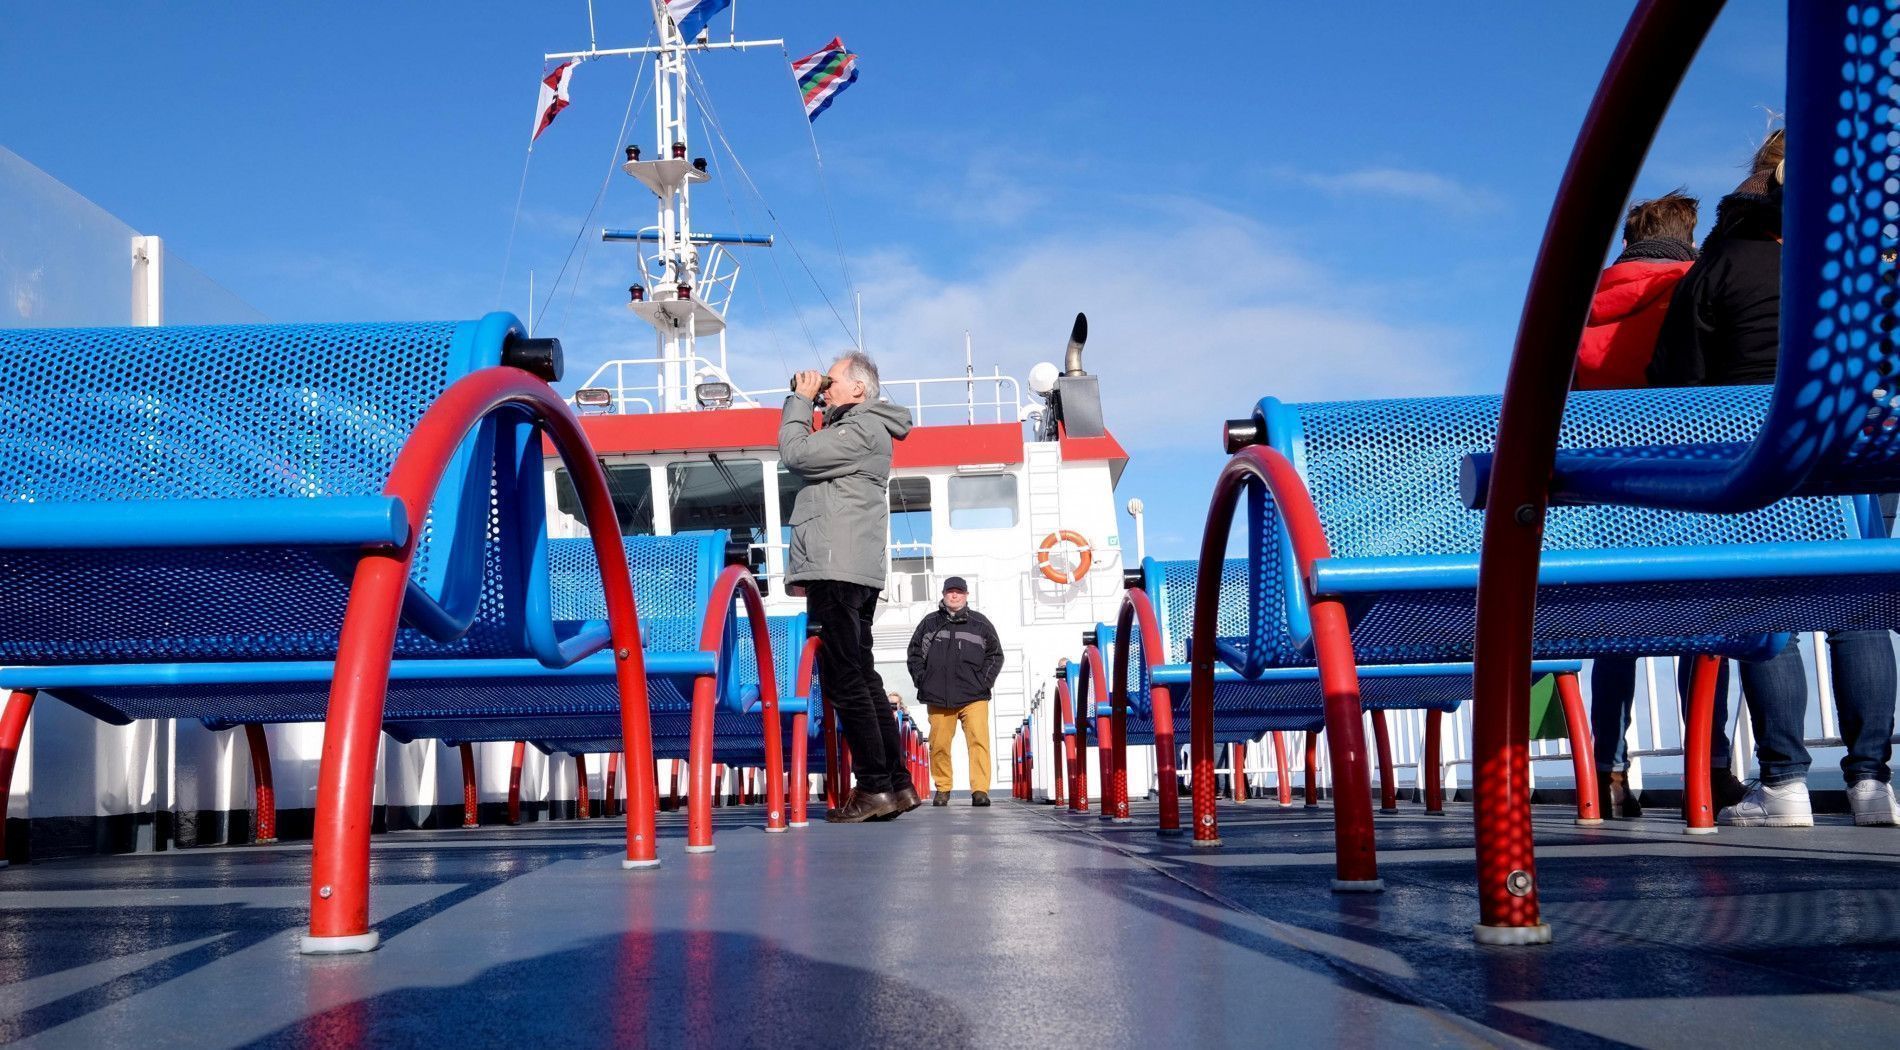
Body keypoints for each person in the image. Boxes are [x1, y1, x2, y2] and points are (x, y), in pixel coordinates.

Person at [1650, 129, 1900, 827]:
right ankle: (1872, 782)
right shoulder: (1863, 267)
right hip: (1859, 444)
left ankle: (1786, 783)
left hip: (1761, 451)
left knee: (1772, 609)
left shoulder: (1722, 263)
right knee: (1857, 613)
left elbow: (1676, 382)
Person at [1573, 190, 1742, 817]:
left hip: (1609, 492)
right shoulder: (1697, 287)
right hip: (1690, 483)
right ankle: (1709, 765)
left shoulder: (1583, 307)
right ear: (1685, 239)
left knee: (1618, 633)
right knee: (1701, 626)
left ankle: (1609, 773)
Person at [782, 352, 921, 823]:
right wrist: (820, 404)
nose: (824, 387)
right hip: (850, 568)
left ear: (859, 389)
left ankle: (876, 787)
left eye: (833, 381)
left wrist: (799, 401)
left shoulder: (860, 428)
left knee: (846, 681)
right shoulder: (860, 427)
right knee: (863, 677)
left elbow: (796, 453)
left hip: (835, 569)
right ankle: (897, 784)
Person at [907, 576, 1005, 807]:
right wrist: (923, 681)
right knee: (939, 744)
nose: (954, 595)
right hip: (938, 697)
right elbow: (914, 654)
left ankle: (980, 790)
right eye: (950, 591)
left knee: (979, 742)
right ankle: (942, 789)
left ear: (966, 595)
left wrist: (984, 682)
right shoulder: (929, 623)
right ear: (943, 594)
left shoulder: (981, 624)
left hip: (974, 696)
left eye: (959, 592)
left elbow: (995, 655)